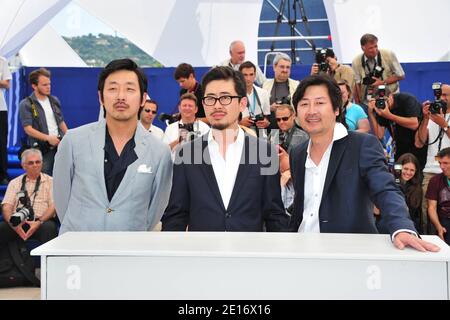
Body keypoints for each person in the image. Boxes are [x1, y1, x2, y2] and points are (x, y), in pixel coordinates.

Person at [286, 74, 439, 252]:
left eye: (320, 103)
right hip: (301, 250)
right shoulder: (297, 153)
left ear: (337, 109)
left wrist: (401, 227)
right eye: (304, 104)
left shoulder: (362, 144)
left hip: (349, 253)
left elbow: (385, 189)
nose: (311, 111)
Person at [53, 58, 173, 234]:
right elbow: (61, 197)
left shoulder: (160, 151)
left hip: (128, 249)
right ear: (100, 97)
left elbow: (156, 208)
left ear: (143, 99)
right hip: (78, 247)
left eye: (130, 89)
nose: (121, 96)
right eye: (113, 88)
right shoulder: (73, 141)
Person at [161, 66, 288, 232]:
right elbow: (176, 215)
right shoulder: (187, 153)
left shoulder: (265, 153)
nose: (217, 106)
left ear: (242, 103)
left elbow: (274, 215)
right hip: (202, 254)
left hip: (248, 253)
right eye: (210, 98)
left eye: (225, 98)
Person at [0, 148, 58, 245]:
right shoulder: (15, 182)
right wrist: (13, 224)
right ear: (23, 166)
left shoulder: (51, 181)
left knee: (49, 228)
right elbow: (6, 206)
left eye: (38, 162)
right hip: (18, 222)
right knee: (2, 228)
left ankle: (48, 260)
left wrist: (39, 221)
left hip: (41, 222)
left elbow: (53, 206)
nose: (35, 165)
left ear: (42, 163)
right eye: (31, 163)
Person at [19, 68, 68, 176]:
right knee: (43, 178)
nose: (48, 87)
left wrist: (68, 136)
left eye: (49, 84)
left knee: (62, 177)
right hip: (42, 149)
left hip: (59, 145)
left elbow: (60, 121)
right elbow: (28, 129)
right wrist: (48, 138)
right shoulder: (26, 104)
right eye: (44, 85)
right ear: (34, 86)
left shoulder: (54, 100)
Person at [415, 84, 450, 234]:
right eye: (440, 95)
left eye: (445, 95)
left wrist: (445, 125)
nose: (442, 98)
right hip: (430, 171)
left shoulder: (442, 120)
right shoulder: (432, 115)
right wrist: (425, 119)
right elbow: (419, 142)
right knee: (426, 211)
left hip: (448, 170)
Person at [368, 90, 425, 169]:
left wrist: (389, 115)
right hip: (400, 145)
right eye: (379, 101)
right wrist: (371, 113)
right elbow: (379, 135)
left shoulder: (406, 100)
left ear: (391, 96)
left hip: (417, 144)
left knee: (416, 173)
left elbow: (414, 124)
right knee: (399, 174)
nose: (383, 103)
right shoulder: (380, 108)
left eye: (385, 100)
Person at [352, 33, 405, 105]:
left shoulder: (389, 54)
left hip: (390, 98)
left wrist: (382, 82)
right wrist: (358, 103)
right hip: (368, 101)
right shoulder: (356, 61)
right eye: (371, 48)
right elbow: (357, 84)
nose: (375, 50)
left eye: (376, 46)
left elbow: (401, 76)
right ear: (362, 48)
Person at [263, 53, 300, 129]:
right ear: (274, 67)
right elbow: (260, 108)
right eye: (282, 67)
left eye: (288, 67)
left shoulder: (296, 85)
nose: (285, 70)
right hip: (272, 129)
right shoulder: (265, 85)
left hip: (292, 129)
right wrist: (269, 108)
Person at [238, 61, 270, 137]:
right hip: (240, 133)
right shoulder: (234, 94)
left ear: (255, 75)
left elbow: (267, 116)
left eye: (251, 74)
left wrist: (266, 122)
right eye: (245, 75)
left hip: (260, 134)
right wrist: (239, 122)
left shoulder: (264, 93)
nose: (248, 78)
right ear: (240, 76)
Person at [425, 147, 450, 245]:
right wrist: (438, 227)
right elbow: (431, 208)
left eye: (446, 163)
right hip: (445, 219)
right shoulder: (435, 180)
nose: (442, 167)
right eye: (440, 163)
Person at [396, 153, 423, 233]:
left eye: (412, 170)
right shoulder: (390, 183)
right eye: (405, 168)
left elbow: (415, 216)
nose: (408, 173)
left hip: (409, 227)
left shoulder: (417, 188)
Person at [0, 56, 12, 185]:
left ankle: (2, 174)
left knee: (1, 142)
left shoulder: (2, 61)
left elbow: (7, 84)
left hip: (0, 108)